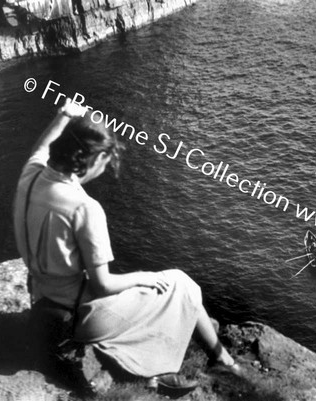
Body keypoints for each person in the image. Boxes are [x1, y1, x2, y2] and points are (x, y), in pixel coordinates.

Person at [13, 100, 241, 394]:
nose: (105, 168)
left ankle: (178, 366)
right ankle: (183, 367)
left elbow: (42, 146)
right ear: (90, 160)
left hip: (42, 298)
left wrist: (65, 114)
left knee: (158, 292)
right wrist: (144, 276)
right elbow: (104, 284)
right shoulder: (84, 208)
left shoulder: (30, 175)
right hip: (76, 317)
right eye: (105, 162)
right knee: (181, 284)